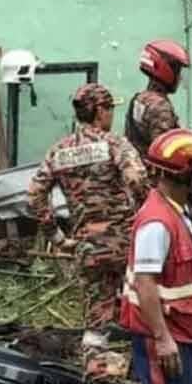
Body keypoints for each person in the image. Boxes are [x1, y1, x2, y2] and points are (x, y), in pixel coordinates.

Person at [35, 129, 192, 384]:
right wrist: (162, 338)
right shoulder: (156, 220)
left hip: (177, 317)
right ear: (185, 175)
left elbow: (35, 195)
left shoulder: (179, 212)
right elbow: (145, 281)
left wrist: (58, 237)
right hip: (165, 325)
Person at [28, 83, 147, 336]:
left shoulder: (58, 151)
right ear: (100, 111)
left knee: (96, 320)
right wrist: (147, 215)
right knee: (140, 309)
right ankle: (139, 369)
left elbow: (34, 195)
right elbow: (136, 179)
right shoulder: (115, 144)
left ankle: (97, 368)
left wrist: (56, 237)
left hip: (88, 248)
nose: (111, 115)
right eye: (110, 109)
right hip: (126, 244)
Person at [125, 39, 191, 158]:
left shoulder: (140, 98)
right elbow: (166, 153)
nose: (180, 78)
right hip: (155, 174)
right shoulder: (159, 106)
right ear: (165, 69)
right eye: (178, 72)